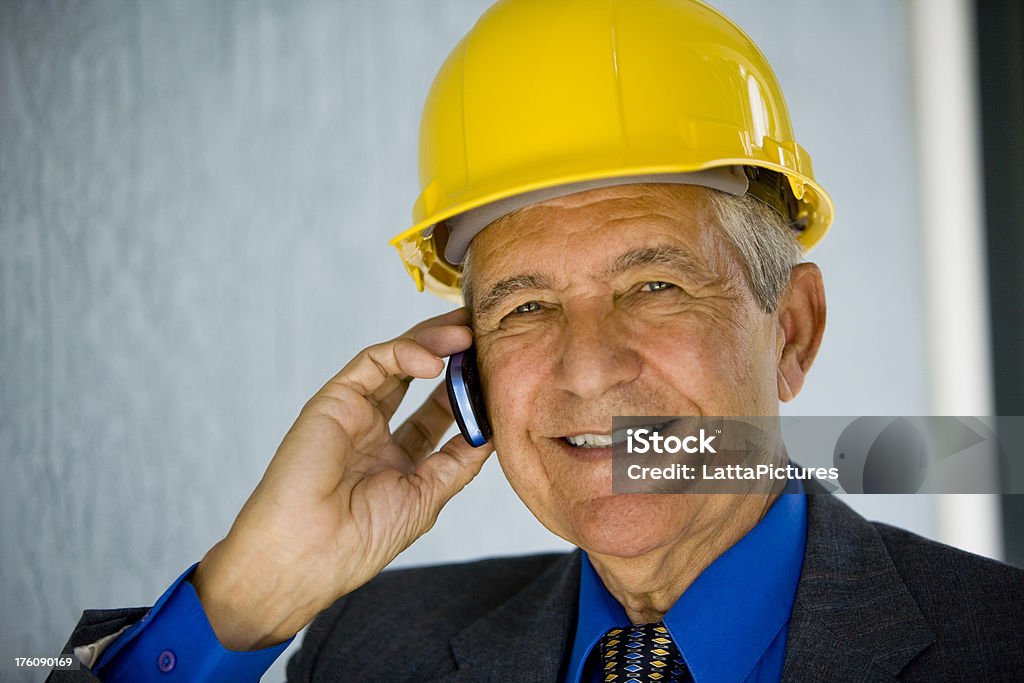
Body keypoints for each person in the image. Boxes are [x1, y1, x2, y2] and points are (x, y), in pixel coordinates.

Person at [52, 0, 1024, 681]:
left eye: (654, 284)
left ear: (793, 329)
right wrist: (249, 597)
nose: (586, 364)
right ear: (466, 358)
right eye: (524, 305)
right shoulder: (371, 646)